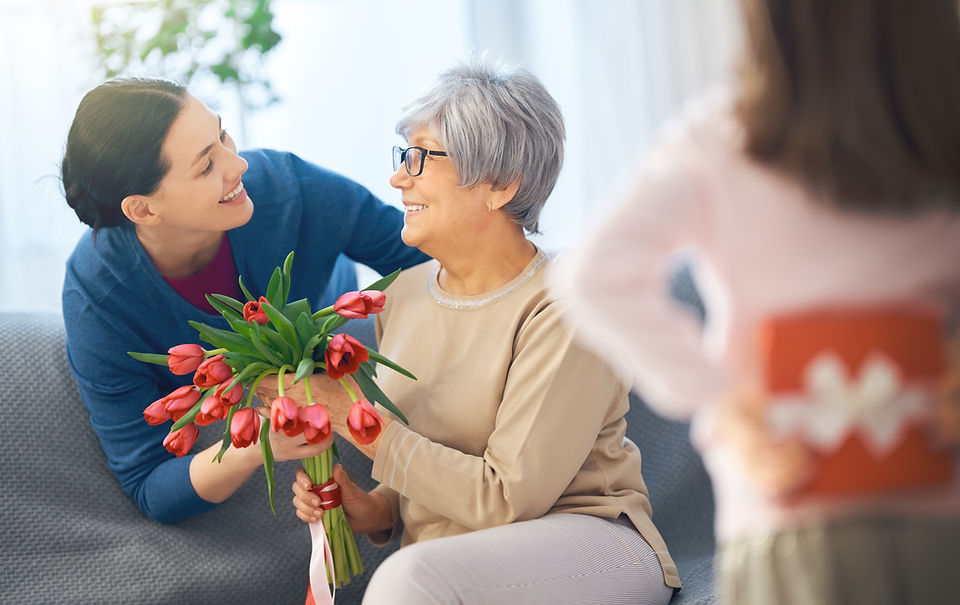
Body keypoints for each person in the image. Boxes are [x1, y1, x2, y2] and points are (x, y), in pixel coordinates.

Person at [550, 0, 960, 603]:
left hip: (789, 516)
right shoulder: (943, 134)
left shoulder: (724, 139)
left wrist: (722, 399)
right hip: (937, 506)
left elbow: (593, 276)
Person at [271, 57, 679, 605]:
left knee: (407, 579)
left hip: (594, 544)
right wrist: (377, 509)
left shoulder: (567, 302)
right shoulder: (402, 296)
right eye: (401, 156)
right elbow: (433, 457)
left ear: (500, 185)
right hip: (459, 569)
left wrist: (355, 420)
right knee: (412, 573)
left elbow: (507, 498)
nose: (397, 178)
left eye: (421, 158)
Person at [60, 78, 428, 524]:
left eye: (222, 135)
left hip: (337, 342)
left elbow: (430, 259)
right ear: (142, 210)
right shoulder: (98, 295)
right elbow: (148, 483)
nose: (238, 165)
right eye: (205, 167)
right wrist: (256, 447)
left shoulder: (288, 186)